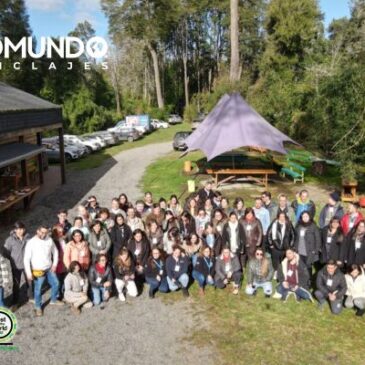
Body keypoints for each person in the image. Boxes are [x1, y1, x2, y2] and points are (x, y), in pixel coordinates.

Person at [24, 225, 63, 317]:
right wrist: (29, 273)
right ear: (37, 231)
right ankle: (38, 306)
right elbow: (26, 259)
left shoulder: (49, 239)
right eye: (42, 232)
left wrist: (54, 265)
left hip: (49, 268)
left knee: (56, 283)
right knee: (38, 290)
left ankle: (53, 300)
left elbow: (55, 252)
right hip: (38, 270)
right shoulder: (31, 242)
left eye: (45, 232)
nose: (44, 234)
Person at [3, 221, 32, 307]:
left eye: (22, 229)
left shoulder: (28, 237)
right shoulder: (10, 240)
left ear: (24, 229)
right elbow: (5, 253)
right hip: (16, 266)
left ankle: (31, 297)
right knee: (16, 284)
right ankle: (15, 301)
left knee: (29, 281)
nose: (20, 231)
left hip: (27, 265)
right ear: (15, 230)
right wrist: (13, 260)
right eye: (18, 229)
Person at [294, 211, 321, 279]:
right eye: (303, 217)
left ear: (309, 217)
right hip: (299, 251)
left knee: (308, 267)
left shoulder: (313, 226)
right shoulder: (298, 226)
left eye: (306, 216)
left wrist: (315, 250)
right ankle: (302, 281)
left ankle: (309, 281)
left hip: (310, 251)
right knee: (300, 267)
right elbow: (295, 238)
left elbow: (318, 239)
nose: (305, 218)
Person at [51, 225, 67, 300]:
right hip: (57, 263)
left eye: (62, 231)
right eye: (59, 232)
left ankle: (63, 292)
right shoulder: (52, 241)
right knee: (58, 280)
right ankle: (58, 294)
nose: (61, 233)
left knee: (64, 278)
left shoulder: (63, 239)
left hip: (64, 262)